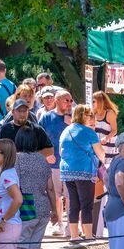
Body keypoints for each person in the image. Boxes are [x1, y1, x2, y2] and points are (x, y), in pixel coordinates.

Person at [13, 124, 58, 249]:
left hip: (26, 206)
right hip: (43, 206)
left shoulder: (17, 159)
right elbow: (51, 188)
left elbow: (14, 184)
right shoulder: (42, 159)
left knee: (18, 248)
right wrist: (54, 209)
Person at [59, 105, 104, 241]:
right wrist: (99, 161)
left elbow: (61, 151)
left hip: (67, 171)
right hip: (84, 170)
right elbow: (101, 153)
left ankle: (74, 236)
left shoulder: (66, 130)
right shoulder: (89, 132)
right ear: (83, 115)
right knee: (86, 204)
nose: (91, 118)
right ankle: (89, 236)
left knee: (73, 203)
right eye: (89, 115)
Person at [39, 89, 73, 234]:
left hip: (70, 162)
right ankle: (59, 223)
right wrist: (46, 154)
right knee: (56, 194)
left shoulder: (74, 118)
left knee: (70, 194)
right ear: (57, 101)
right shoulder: (47, 117)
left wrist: (71, 123)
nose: (70, 103)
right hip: (53, 162)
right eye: (66, 100)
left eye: (71, 100)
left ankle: (71, 225)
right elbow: (39, 136)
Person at [91, 92, 119, 165]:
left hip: (109, 147)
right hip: (98, 146)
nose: (92, 103)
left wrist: (106, 138)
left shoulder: (110, 113)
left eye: (93, 101)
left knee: (108, 169)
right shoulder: (93, 113)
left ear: (100, 102)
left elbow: (115, 130)